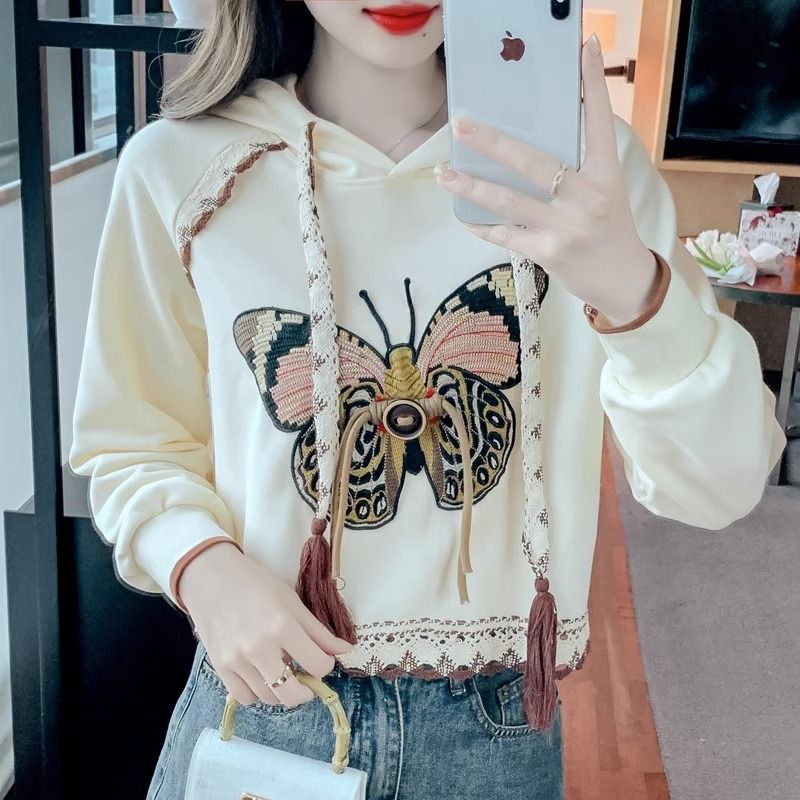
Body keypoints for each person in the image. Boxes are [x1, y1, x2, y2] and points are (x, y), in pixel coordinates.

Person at [67, 2, 786, 798]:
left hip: (494, 730)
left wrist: (633, 291)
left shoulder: (587, 172)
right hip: (270, 706)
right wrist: (201, 567)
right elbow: (133, 441)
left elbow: (721, 486)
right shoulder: (182, 168)